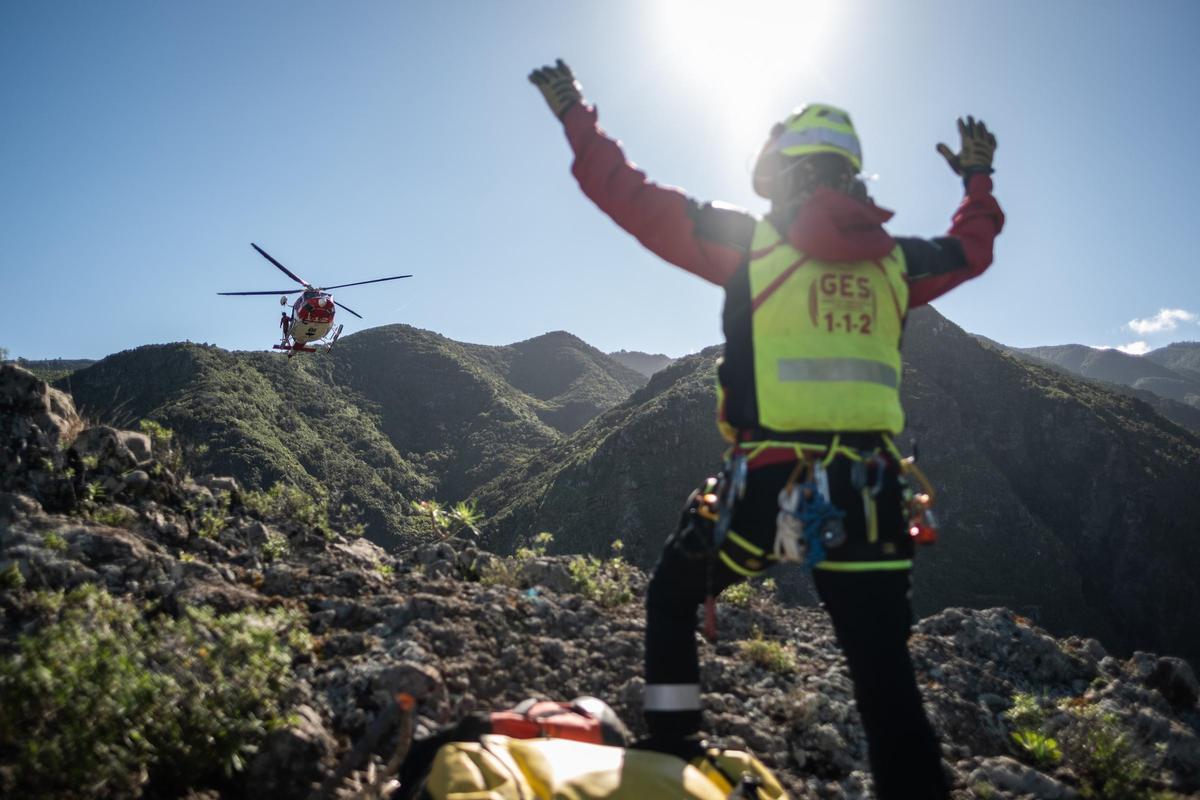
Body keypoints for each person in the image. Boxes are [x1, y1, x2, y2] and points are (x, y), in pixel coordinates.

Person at [529, 59, 1004, 799]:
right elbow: (973, 248)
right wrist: (977, 179)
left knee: (674, 594)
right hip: (873, 498)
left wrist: (575, 115)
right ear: (851, 174)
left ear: (782, 171)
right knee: (885, 679)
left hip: (767, 488)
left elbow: (626, 194)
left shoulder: (750, 244)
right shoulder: (897, 264)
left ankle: (675, 750)